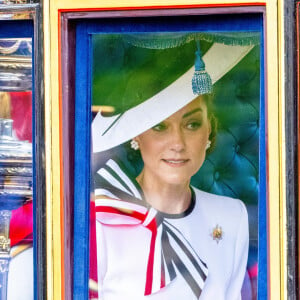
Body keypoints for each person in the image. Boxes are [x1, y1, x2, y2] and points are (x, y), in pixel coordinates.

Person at [91, 38, 250, 300]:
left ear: (209, 128)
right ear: (136, 135)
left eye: (192, 125)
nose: (177, 143)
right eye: (160, 127)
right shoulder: (104, 217)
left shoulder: (233, 216)